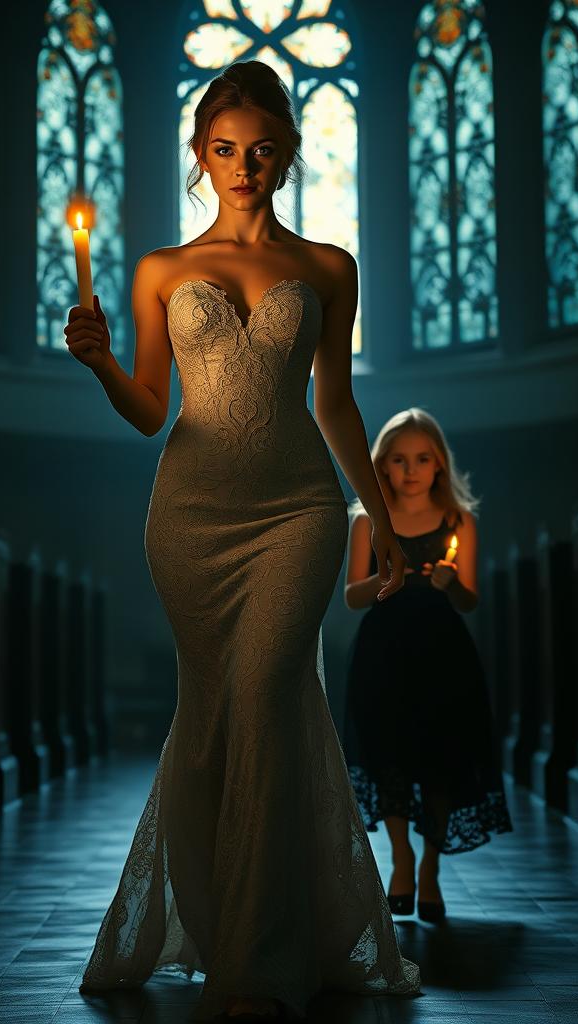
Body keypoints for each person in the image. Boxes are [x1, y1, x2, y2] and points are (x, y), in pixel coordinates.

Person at [63, 61, 420, 1021]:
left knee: (264, 694)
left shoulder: (327, 269)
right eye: (224, 151)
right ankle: (224, 925)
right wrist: (102, 364)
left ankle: (258, 960)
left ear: (289, 155)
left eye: (263, 151)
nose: (243, 167)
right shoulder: (159, 272)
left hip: (299, 511)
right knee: (215, 716)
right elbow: (148, 412)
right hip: (188, 518)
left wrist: (375, 523)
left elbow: (337, 408)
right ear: (200, 156)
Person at [342, 408, 512, 924]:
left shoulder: (460, 520)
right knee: (389, 754)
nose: (410, 469)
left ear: (439, 464)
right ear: (382, 466)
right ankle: (402, 859)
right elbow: (352, 596)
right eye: (398, 459)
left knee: (441, 758)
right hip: (385, 653)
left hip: (443, 653)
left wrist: (450, 583)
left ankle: (432, 869)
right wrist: (388, 577)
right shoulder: (368, 521)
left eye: (422, 459)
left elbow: (469, 601)